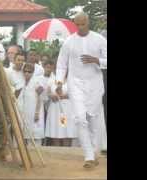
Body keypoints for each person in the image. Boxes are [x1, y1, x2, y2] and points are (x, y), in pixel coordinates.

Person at [55, 12, 107, 169]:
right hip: (75, 83)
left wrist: (97, 60)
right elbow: (61, 64)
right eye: (77, 24)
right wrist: (59, 81)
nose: (80, 27)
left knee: (94, 119)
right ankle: (89, 156)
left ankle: (95, 151)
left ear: (88, 22)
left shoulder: (99, 39)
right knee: (79, 118)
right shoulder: (69, 42)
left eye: (83, 24)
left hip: (95, 84)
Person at [17, 63, 47, 146]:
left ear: (33, 72)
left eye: (29, 72)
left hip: (35, 112)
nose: (27, 73)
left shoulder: (37, 82)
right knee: (28, 136)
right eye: (25, 71)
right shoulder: (22, 83)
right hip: (26, 113)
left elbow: (40, 97)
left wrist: (37, 113)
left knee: (36, 135)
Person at [45, 71, 77, 147]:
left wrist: (62, 96)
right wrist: (51, 96)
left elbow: (75, 94)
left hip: (65, 110)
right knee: (56, 129)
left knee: (64, 128)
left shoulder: (71, 80)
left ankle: (67, 151)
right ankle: (57, 151)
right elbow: (48, 93)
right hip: (55, 109)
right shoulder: (51, 80)